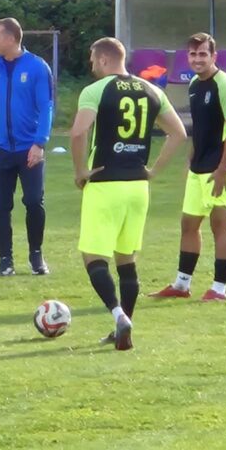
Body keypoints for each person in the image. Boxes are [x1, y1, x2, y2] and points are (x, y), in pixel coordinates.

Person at [70, 37, 187, 350]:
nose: (92, 66)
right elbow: (178, 133)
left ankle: (119, 315)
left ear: (104, 59)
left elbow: (79, 132)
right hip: (138, 186)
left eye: (93, 60)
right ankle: (125, 328)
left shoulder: (96, 90)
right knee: (126, 259)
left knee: (93, 256)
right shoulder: (152, 90)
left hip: (105, 183)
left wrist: (80, 171)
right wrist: (154, 170)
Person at [150, 32, 226, 302]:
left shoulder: (225, 84)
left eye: (203, 54)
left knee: (220, 224)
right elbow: (200, 128)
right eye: (193, 54)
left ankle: (219, 289)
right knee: (188, 224)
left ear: (214, 56)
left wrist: (222, 169)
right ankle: (181, 285)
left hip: (221, 168)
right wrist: (190, 160)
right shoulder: (193, 84)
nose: (197, 59)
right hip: (198, 167)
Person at [0, 17, 54, 277]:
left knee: (34, 201)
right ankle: (5, 260)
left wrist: (40, 143)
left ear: (12, 38)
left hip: (29, 148)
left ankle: (36, 255)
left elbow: (46, 106)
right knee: (0, 204)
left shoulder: (37, 67)